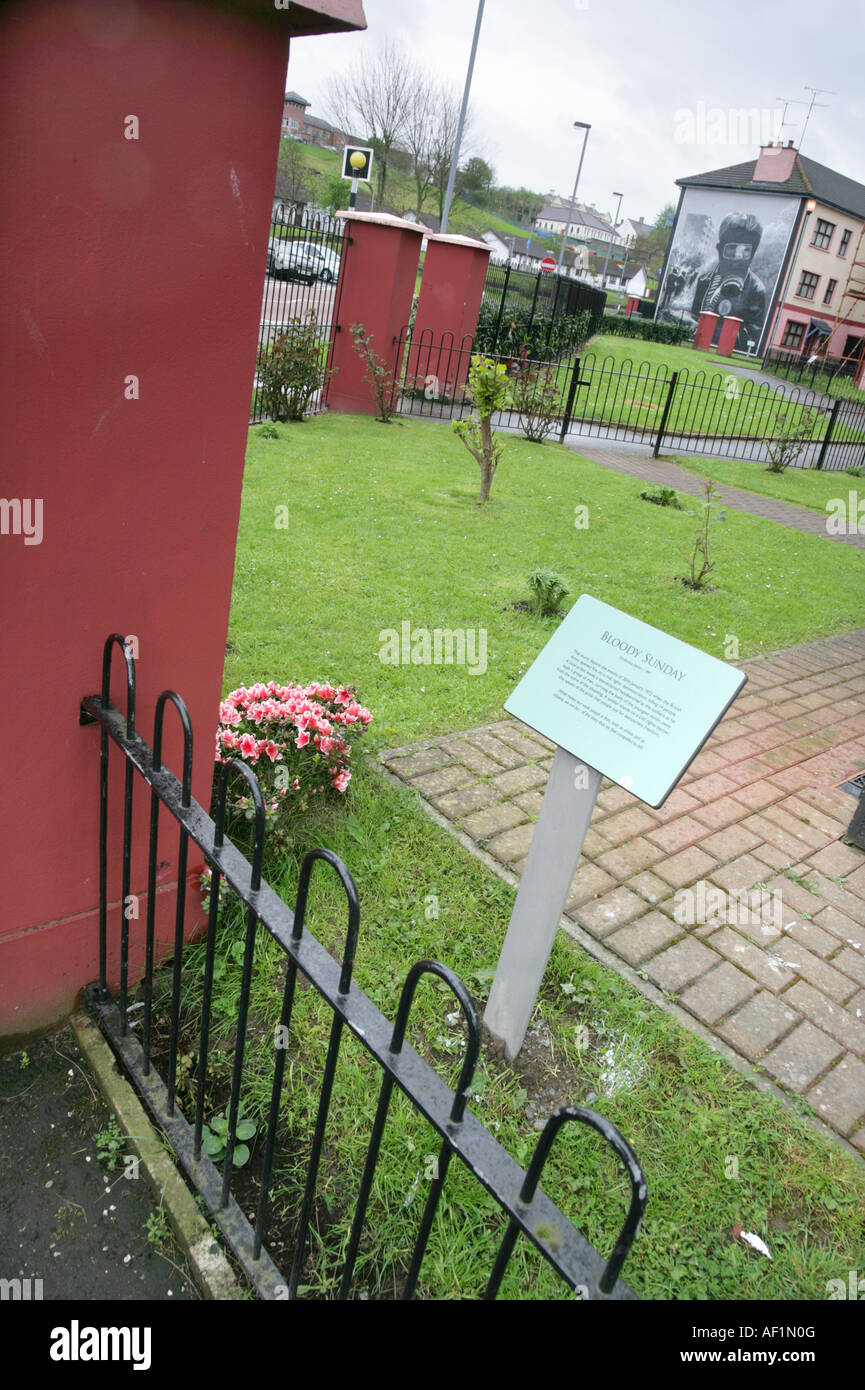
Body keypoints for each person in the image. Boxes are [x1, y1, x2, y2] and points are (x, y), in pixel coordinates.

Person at [688, 213, 766, 350]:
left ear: (752, 255)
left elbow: (751, 336)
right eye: (732, 249)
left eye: (745, 251)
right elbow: (694, 314)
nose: (738, 258)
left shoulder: (756, 290)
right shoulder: (704, 280)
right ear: (719, 250)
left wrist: (713, 331)